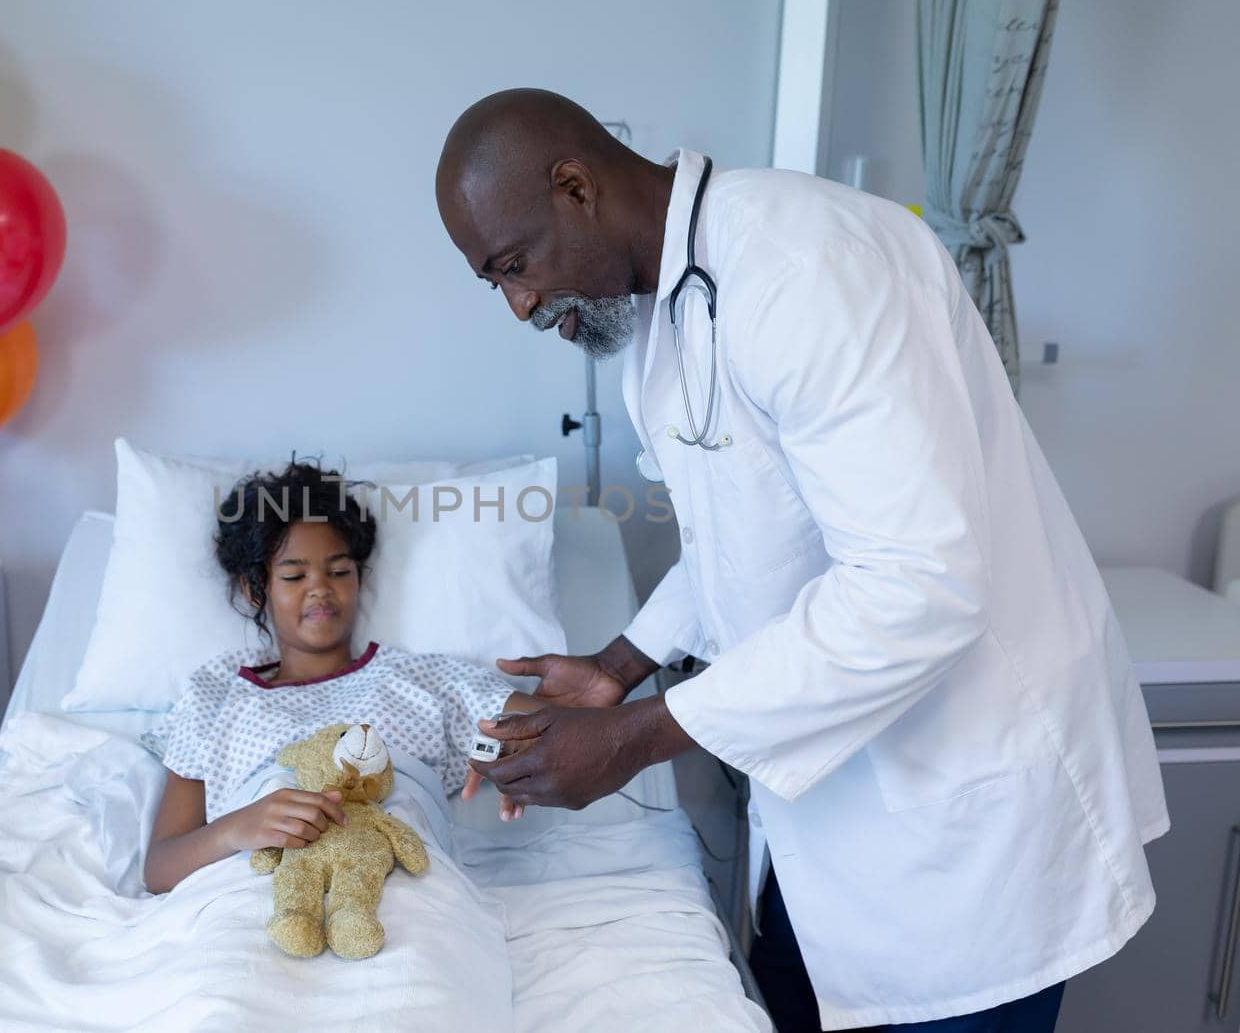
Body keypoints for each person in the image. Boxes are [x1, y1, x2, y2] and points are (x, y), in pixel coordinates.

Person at [435, 88, 1167, 1032]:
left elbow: (919, 585)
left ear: (575, 186)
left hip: (967, 822)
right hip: (836, 816)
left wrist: (641, 735)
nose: (520, 303)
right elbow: (736, 543)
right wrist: (618, 669)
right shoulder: (657, 322)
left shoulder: (807, 267)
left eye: (514, 264)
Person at [140, 460, 537, 895]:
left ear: (360, 578)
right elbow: (160, 869)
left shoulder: (421, 678)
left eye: (339, 571)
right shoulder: (217, 693)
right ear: (256, 589)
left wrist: (531, 757)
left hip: (402, 886)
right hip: (254, 895)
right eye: (294, 575)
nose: (320, 589)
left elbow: (558, 728)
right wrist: (235, 829)